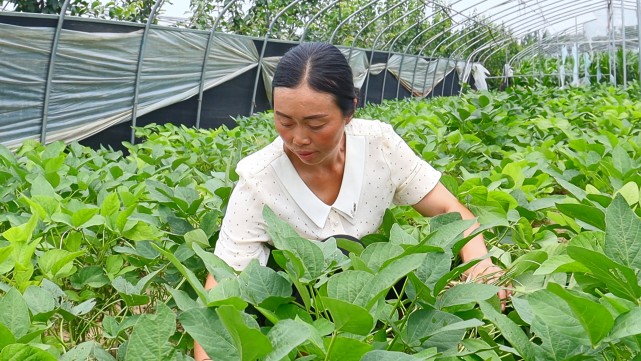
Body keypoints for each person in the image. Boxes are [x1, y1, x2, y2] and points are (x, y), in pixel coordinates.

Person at [194, 42, 509, 361]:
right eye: (285, 121)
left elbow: (449, 210)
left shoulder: (379, 146)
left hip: (371, 299)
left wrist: (481, 264)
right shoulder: (258, 179)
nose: (298, 139)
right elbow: (222, 290)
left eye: (316, 124)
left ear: (350, 111)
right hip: (299, 318)